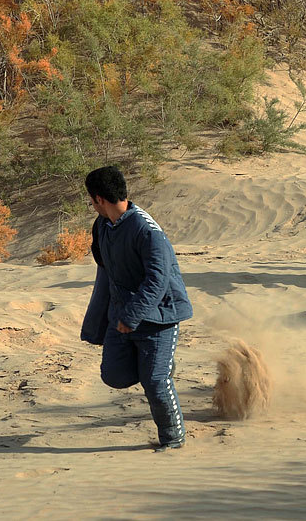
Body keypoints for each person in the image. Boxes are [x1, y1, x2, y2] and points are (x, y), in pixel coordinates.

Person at [80, 166, 192, 451]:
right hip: (122, 316)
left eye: (91, 200)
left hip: (159, 317)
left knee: (155, 382)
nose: (92, 205)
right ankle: (158, 367)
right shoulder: (102, 225)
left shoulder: (147, 231)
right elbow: (105, 265)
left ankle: (173, 439)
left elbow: (158, 280)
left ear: (99, 199)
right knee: (113, 376)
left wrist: (132, 315)